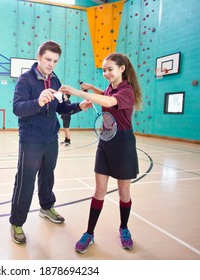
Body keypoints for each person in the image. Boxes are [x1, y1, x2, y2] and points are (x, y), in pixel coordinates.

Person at [10, 40, 92, 244]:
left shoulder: (55, 80)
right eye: (48, 59)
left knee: (47, 177)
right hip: (31, 140)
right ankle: (17, 222)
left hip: (50, 139)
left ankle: (46, 208)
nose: (51, 64)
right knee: (25, 182)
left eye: (55, 61)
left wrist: (79, 106)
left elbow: (59, 108)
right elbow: (18, 108)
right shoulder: (25, 80)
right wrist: (38, 101)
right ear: (39, 57)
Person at [60, 52, 143, 253]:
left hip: (123, 144)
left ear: (122, 69)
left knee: (124, 193)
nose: (106, 73)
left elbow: (109, 102)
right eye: (104, 70)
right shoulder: (110, 88)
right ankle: (89, 233)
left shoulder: (127, 91)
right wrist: (92, 88)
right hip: (106, 142)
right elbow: (106, 96)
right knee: (99, 191)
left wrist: (79, 93)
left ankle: (124, 229)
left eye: (109, 69)